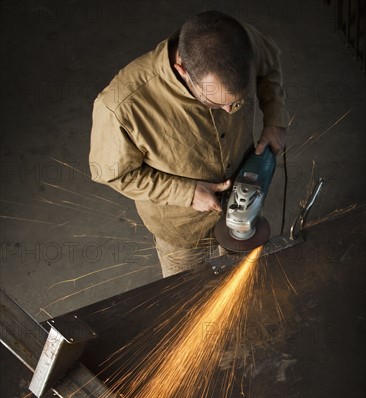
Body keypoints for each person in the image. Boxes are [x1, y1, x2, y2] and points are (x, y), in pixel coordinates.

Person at [89, 11, 289, 277]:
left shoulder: (240, 41)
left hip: (243, 205)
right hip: (181, 229)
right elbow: (113, 174)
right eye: (216, 103)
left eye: (236, 100)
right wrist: (186, 192)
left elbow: (270, 64)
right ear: (183, 69)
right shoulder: (122, 105)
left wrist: (274, 119)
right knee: (188, 299)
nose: (230, 110)